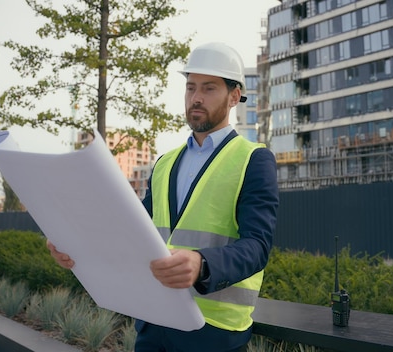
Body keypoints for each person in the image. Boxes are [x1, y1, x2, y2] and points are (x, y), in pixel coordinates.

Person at [48, 42, 279, 352]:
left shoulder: (254, 159)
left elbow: (258, 246)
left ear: (234, 96)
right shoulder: (165, 163)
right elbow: (133, 231)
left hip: (213, 330)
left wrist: (202, 263)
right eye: (191, 87)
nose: (196, 98)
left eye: (209, 88)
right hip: (155, 320)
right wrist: (77, 244)